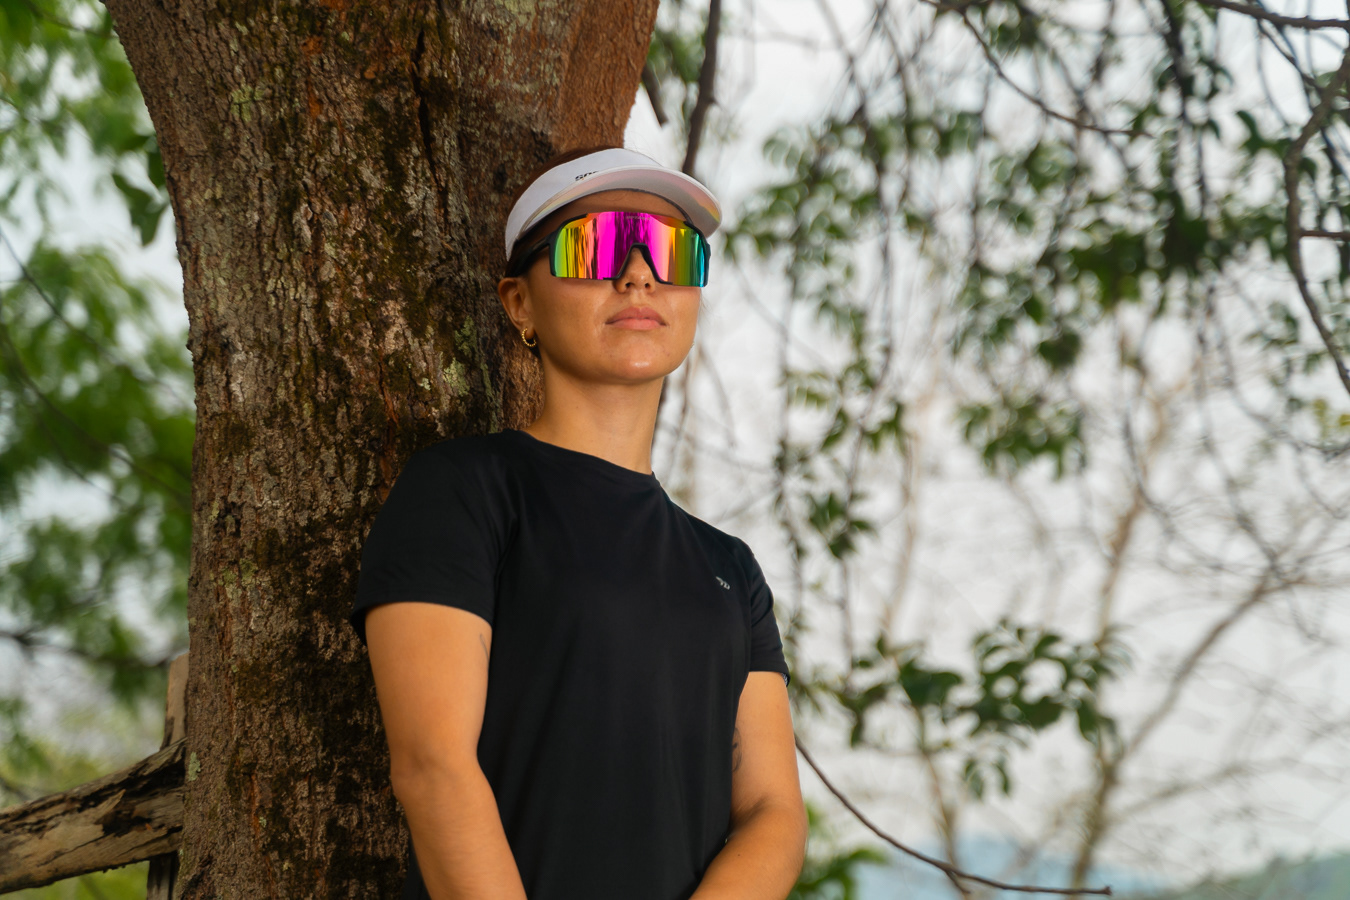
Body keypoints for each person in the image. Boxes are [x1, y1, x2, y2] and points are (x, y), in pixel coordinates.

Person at [349, 145, 807, 900]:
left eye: (670, 251)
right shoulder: (463, 491)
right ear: (519, 303)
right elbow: (433, 767)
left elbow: (772, 812)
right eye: (594, 246)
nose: (638, 274)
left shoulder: (730, 569)